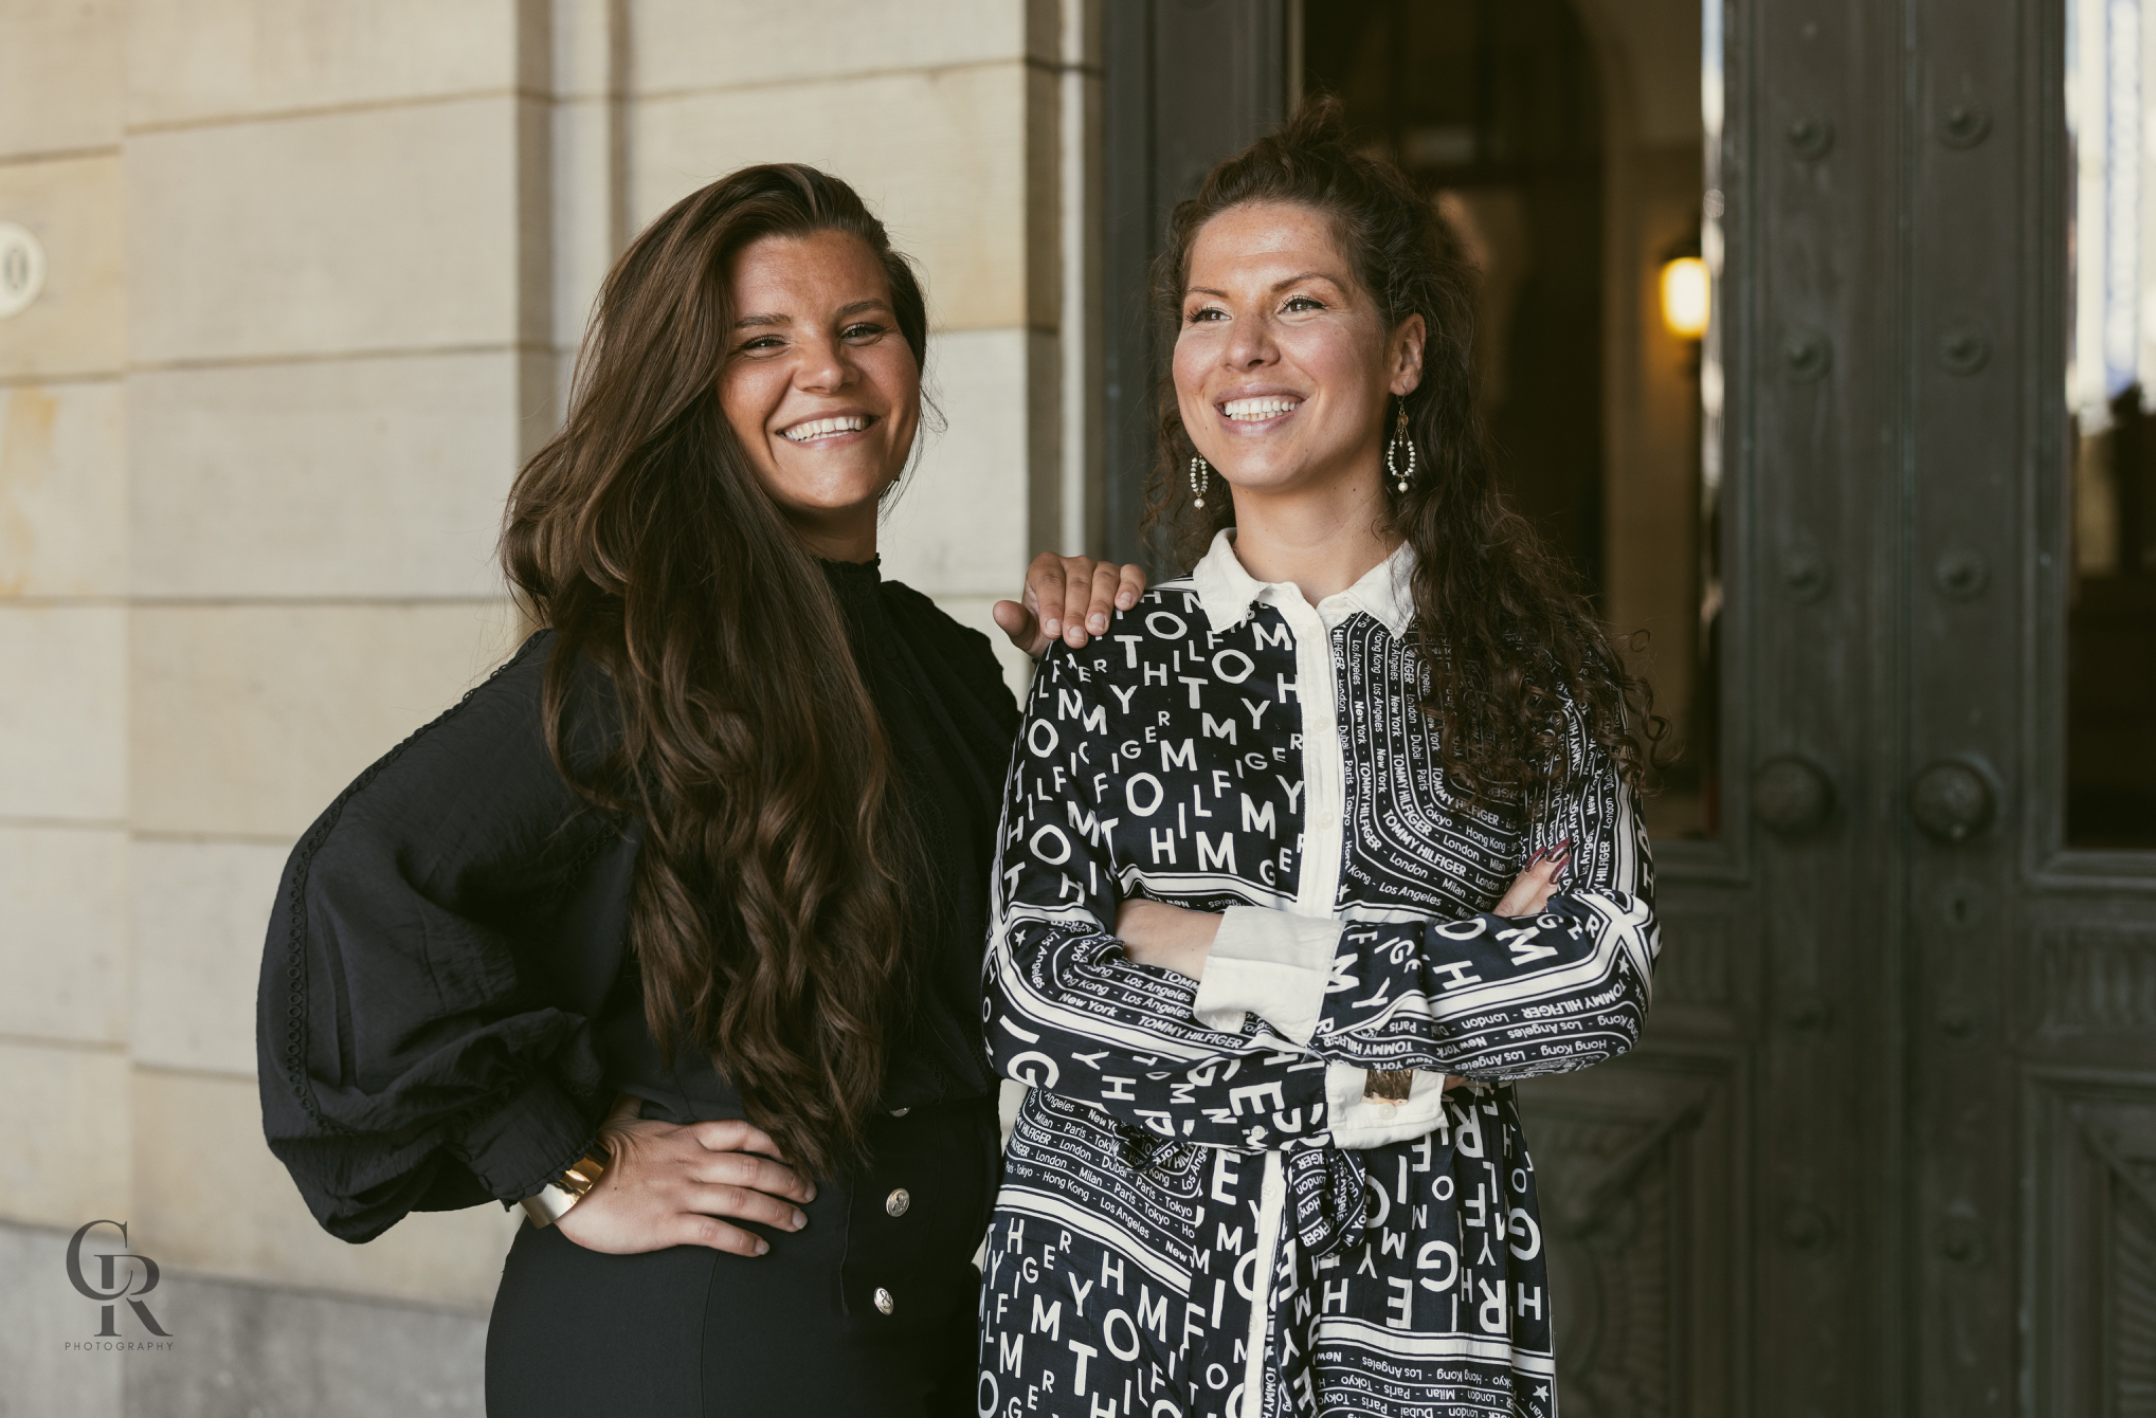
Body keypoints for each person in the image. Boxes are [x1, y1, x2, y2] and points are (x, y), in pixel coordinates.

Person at [255, 163, 1143, 1417]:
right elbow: (358, 880)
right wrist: (559, 1166)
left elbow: (1078, 947)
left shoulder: (943, 663)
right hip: (700, 1341)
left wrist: (1095, 690)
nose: (825, 371)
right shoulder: (639, 665)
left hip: (926, 1337)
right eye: (758, 342)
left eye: (861, 328)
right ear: (687, 391)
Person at [975, 100, 1661, 1418]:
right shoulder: (1109, 653)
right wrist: (1409, 1054)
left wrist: (1205, 943)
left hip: (1418, 1285)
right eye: (1206, 311)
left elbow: (1594, 972)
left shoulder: (1531, 667)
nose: (1243, 348)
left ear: (1402, 351)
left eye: (1297, 303)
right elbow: (1036, 990)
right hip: (1114, 1285)